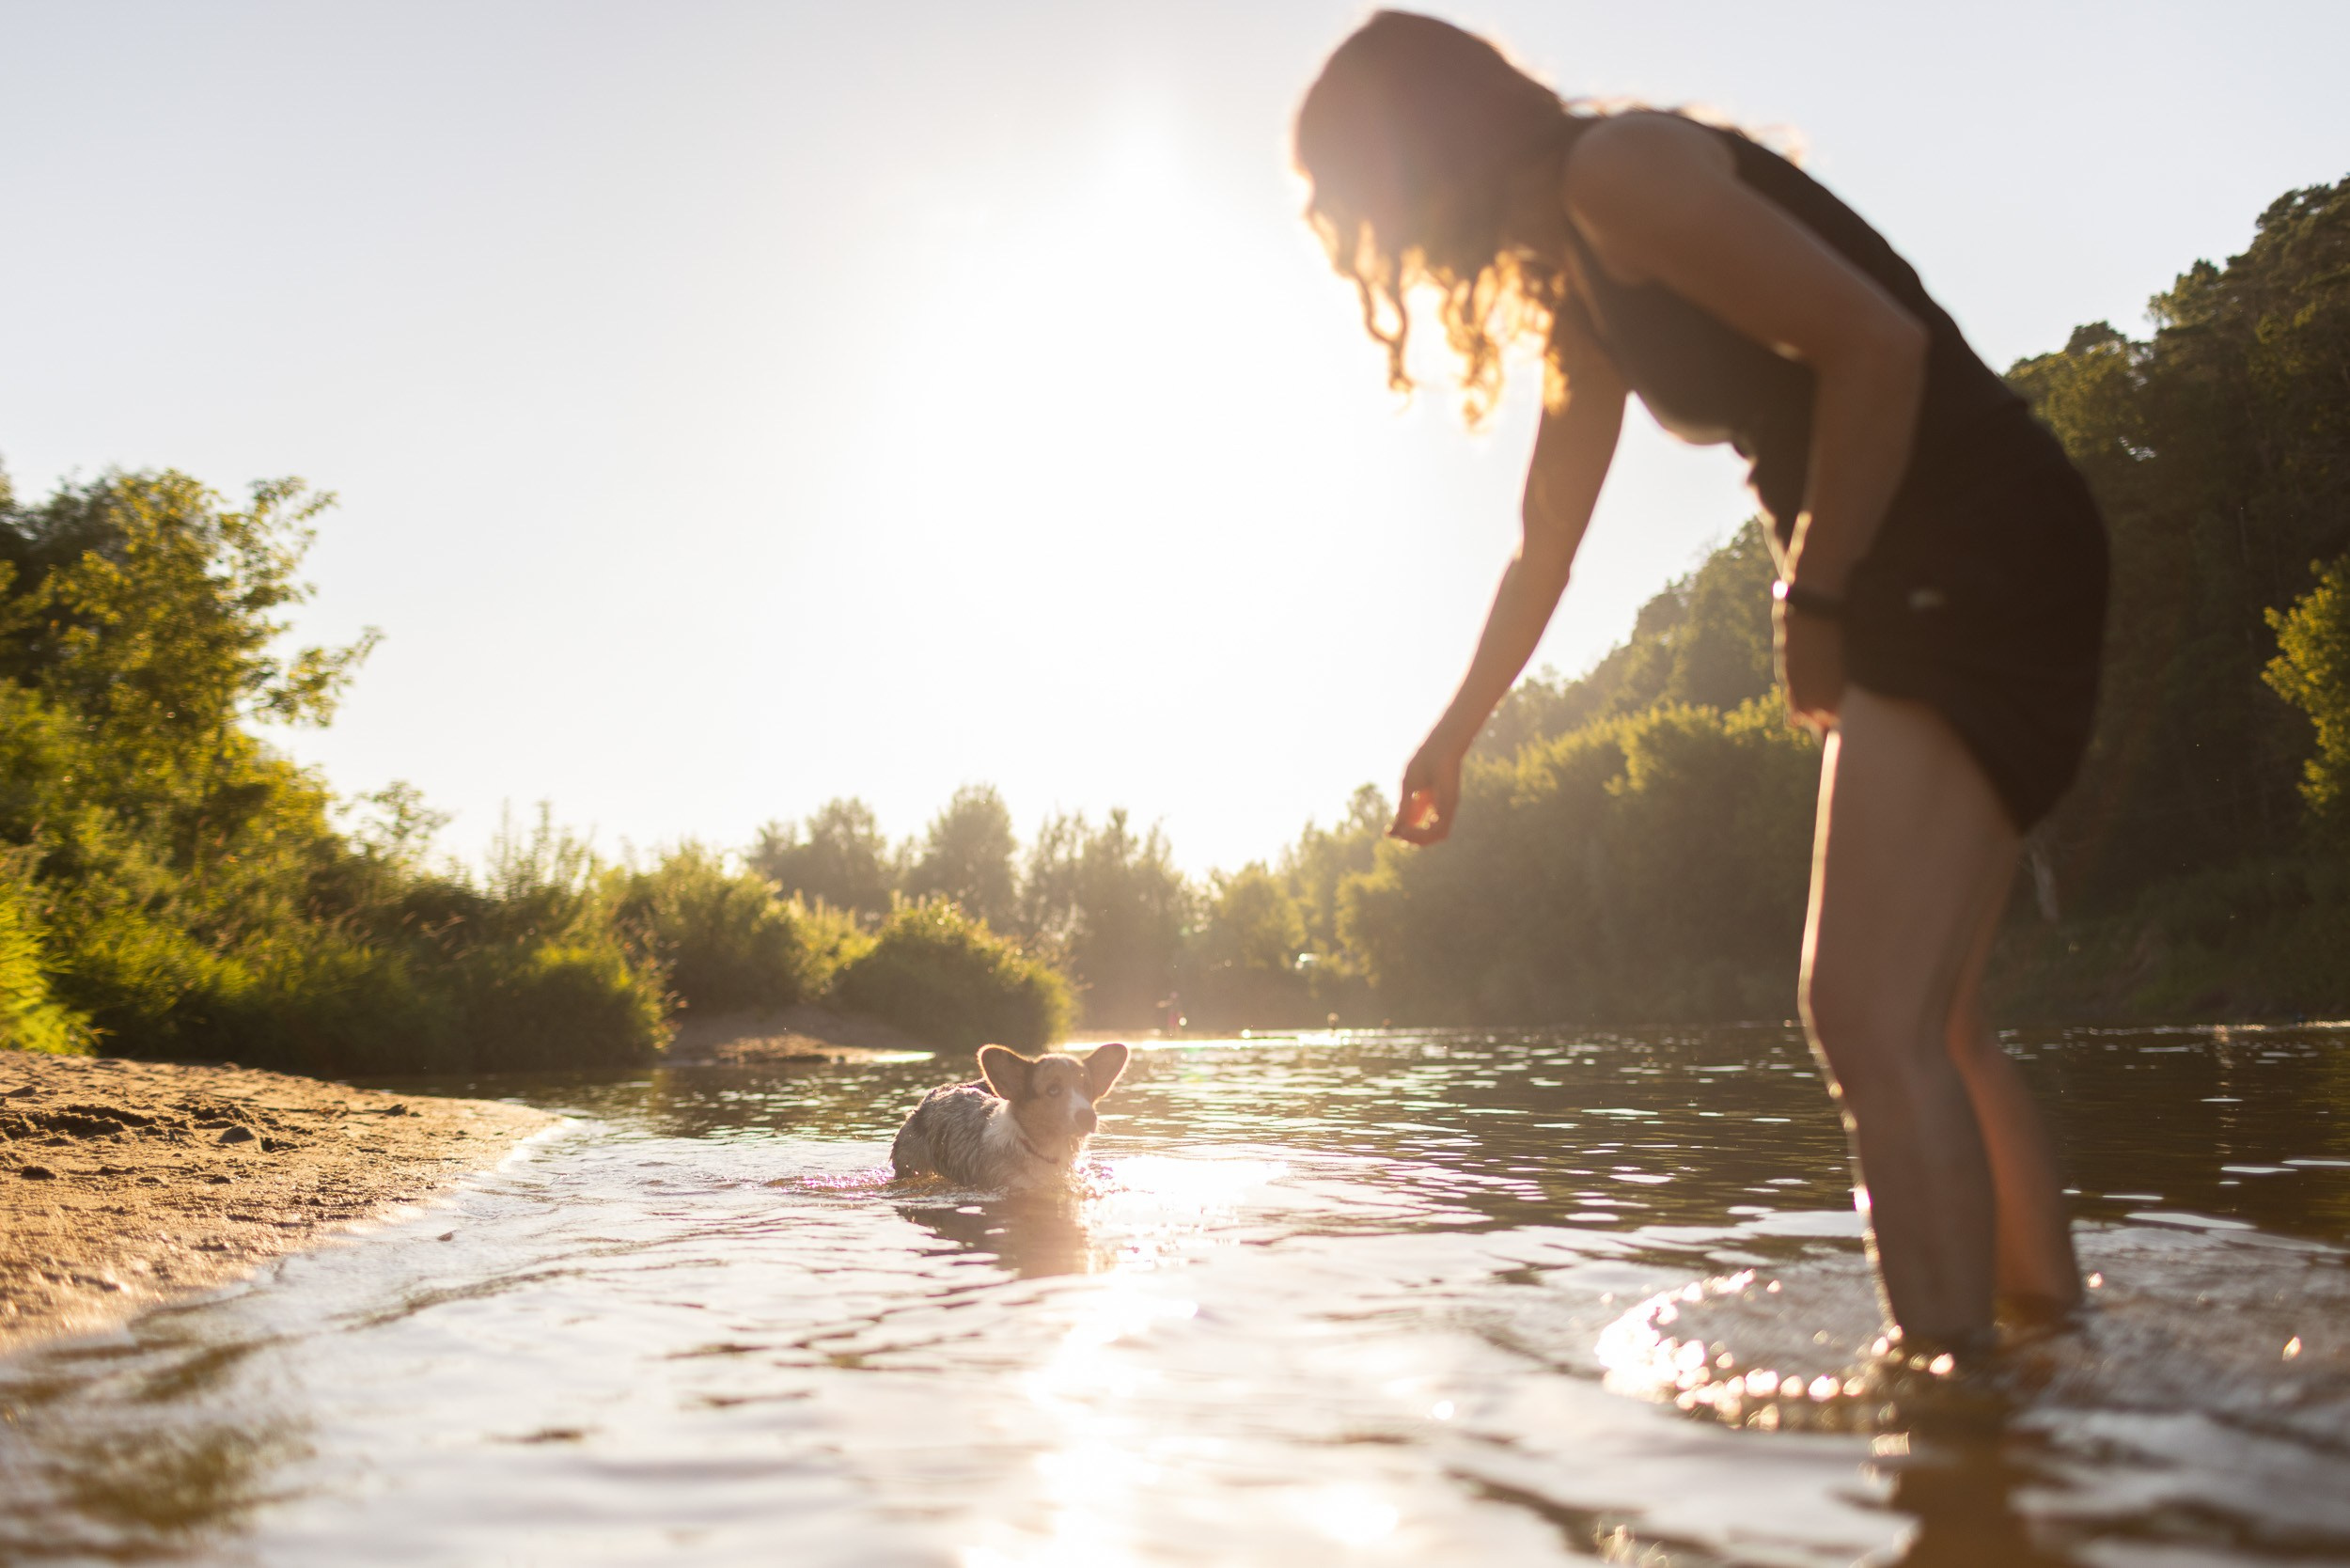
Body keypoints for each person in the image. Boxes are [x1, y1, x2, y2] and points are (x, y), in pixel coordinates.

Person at [1293, 11, 2106, 1349]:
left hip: (1962, 545)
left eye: (1358, 203)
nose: (1369, 247)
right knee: (1934, 1022)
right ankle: (2052, 1370)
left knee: (1860, 1015)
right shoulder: (1578, 292)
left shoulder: (1621, 174)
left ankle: (1960, 1428)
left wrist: (1816, 593)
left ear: (1423, 163)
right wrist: (1453, 736)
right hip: (1974, 545)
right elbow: (1542, 551)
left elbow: (1877, 347)